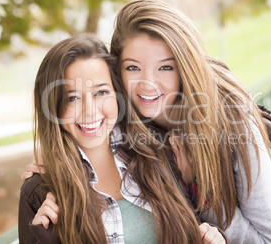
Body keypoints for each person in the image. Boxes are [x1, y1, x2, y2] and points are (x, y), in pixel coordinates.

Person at [18, 34, 226, 244]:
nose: (89, 111)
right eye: (72, 97)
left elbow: (193, 229)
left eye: (101, 92)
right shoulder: (39, 193)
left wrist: (213, 238)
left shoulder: (156, 152)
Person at [109, 0, 271, 243]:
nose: (147, 83)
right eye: (133, 68)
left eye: (165, 68)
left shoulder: (232, 120)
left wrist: (199, 190)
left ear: (185, 68)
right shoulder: (120, 119)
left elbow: (269, 240)